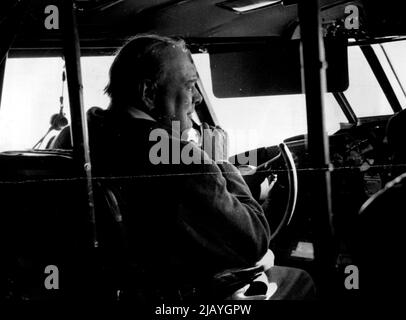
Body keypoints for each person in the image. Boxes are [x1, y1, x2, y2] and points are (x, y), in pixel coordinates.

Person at [54, 34, 315, 301]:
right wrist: (219, 161)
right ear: (149, 93)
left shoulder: (73, 137)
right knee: (300, 279)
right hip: (178, 296)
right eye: (190, 86)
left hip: (103, 290)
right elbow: (253, 241)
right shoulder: (183, 159)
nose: (199, 97)